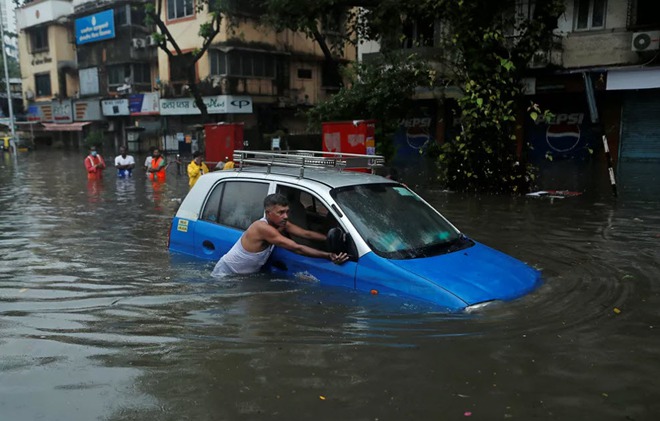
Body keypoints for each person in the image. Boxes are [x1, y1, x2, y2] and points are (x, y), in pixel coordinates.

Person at [211, 193, 349, 276]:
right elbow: (297, 247)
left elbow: (306, 234)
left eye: (287, 211)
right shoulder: (262, 228)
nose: (285, 216)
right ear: (268, 213)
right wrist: (328, 256)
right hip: (227, 273)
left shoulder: (280, 223)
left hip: (245, 275)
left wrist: (335, 239)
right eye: (280, 212)